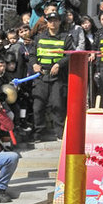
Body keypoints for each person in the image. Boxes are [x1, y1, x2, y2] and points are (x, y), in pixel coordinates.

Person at [30, 11, 72, 141]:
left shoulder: (66, 37)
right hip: (41, 76)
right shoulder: (39, 37)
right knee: (38, 106)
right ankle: (38, 133)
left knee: (58, 105)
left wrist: (59, 64)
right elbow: (32, 55)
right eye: (50, 20)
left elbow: (70, 54)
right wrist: (34, 65)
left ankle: (59, 133)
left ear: (59, 22)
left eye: (55, 20)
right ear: (47, 22)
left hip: (58, 77)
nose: (52, 23)